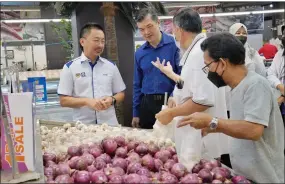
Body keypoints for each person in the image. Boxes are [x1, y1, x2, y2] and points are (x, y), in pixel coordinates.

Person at [177, 33, 284, 183]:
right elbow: (240, 126)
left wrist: (212, 122)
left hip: (265, 176)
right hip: (245, 175)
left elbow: (253, 130)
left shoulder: (256, 85)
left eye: (208, 66)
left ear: (222, 63)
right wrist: (211, 127)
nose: (208, 72)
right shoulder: (235, 88)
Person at [153, 8, 229, 161]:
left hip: (201, 137)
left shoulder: (198, 55)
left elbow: (203, 100)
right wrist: (177, 92)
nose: (175, 36)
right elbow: (193, 86)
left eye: (174, 31)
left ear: (179, 30)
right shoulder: (198, 50)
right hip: (200, 135)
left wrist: (170, 113)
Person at [57, 23, 126, 125]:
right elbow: (63, 101)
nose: (100, 45)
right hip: (83, 126)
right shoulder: (70, 68)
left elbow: (121, 94)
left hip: (109, 124)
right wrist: (86, 101)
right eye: (96, 40)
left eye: (103, 41)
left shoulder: (111, 66)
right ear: (82, 41)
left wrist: (111, 100)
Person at [132, 8, 181, 129]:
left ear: (158, 23)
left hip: (169, 102)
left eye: (149, 26)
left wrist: (175, 94)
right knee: (148, 143)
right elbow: (137, 84)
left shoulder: (175, 45)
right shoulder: (139, 53)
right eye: (141, 29)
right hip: (146, 104)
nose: (146, 32)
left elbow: (182, 75)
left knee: (169, 142)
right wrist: (136, 113)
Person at [267, 27, 285, 125]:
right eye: (284, 34)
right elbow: (270, 73)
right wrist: (279, 85)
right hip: (282, 104)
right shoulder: (280, 54)